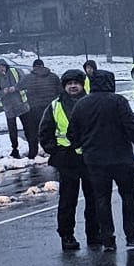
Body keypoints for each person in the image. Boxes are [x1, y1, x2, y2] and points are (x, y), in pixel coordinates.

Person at [69, 68, 134, 250]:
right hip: (121, 158)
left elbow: (72, 134)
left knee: (101, 199)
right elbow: (132, 128)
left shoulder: (82, 105)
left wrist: (82, 147)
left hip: (95, 160)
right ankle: (133, 235)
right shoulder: (118, 102)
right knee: (129, 197)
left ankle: (107, 239)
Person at [39, 69, 94, 250]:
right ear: (64, 86)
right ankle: (67, 236)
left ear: (82, 84)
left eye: (76, 83)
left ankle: (95, 234)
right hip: (67, 159)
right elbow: (45, 131)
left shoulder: (91, 102)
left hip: (88, 158)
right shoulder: (55, 106)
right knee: (68, 201)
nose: (72, 86)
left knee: (93, 199)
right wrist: (54, 151)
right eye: (69, 83)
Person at [21, 58, 61, 159]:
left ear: (34, 67)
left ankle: (33, 153)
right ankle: (54, 151)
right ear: (43, 66)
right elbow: (61, 91)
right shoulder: (54, 77)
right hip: (51, 108)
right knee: (51, 130)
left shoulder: (28, 78)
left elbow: (17, 87)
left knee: (33, 131)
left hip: (34, 109)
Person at [0, 57, 28, 156]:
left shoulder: (15, 72)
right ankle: (15, 149)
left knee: (27, 127)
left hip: (21, 104)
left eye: (3, 67)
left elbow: (24, 82)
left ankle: (32, 145)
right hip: (8, 107)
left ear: (6, 66)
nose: (2, 69)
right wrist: (2, 92)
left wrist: (15, 88)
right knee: (12, 129)